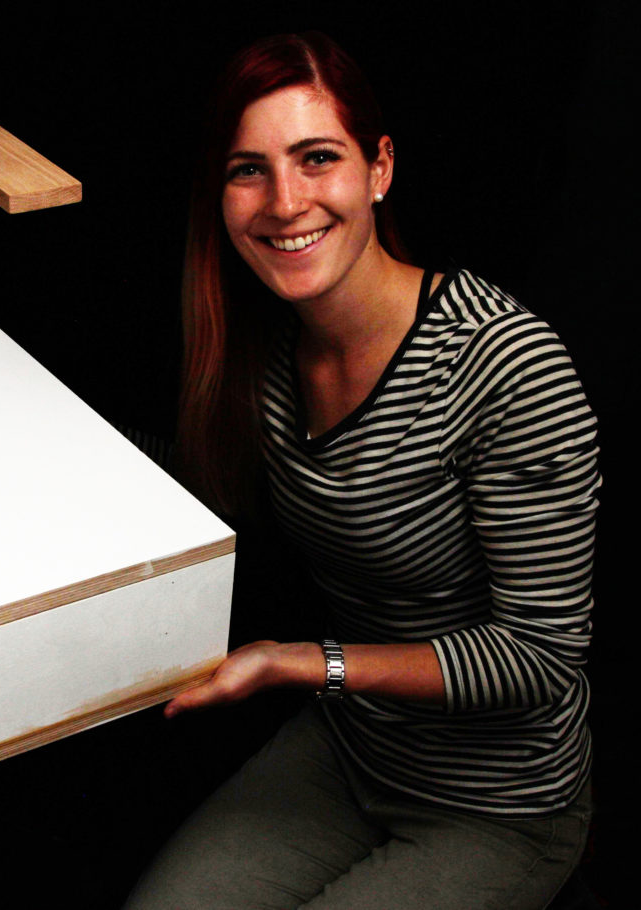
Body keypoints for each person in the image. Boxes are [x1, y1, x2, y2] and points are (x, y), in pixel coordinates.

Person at [123, 32, 598, 910]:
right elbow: (195, 481)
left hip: (498, 807)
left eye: (317, 158)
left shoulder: (504, 365)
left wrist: (301, 664)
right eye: (249, 170)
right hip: (354, 751)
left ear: (378, 168)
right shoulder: (267, 349)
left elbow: (540, 656)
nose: (285, 202)